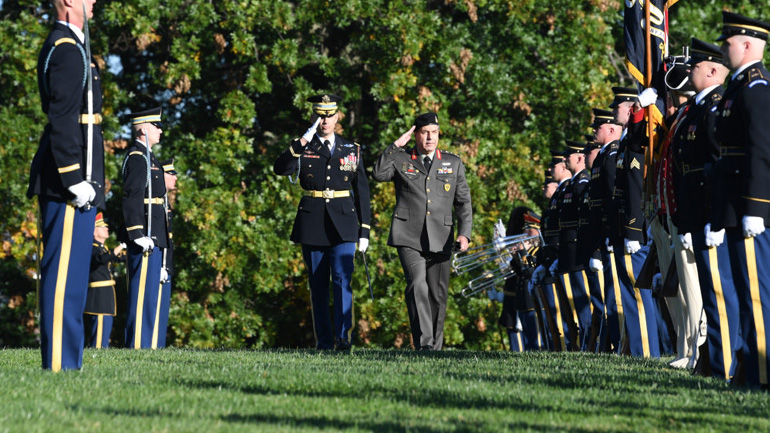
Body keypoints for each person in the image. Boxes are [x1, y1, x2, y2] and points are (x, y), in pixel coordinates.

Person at [27, 0, 102, 371]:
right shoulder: (67, 50)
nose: (94, 3)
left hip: (71, 181)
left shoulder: (69, 46)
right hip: (67, 184)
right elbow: (63, 121)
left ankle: (67, 363)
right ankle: (59, 363)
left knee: (72, 282)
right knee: (63, 283)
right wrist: (75, 179)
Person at [273, 94, 371, 351]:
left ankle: (343, 338)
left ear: (337, 116)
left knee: (342, 280)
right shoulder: (304, 146)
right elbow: (281, 168)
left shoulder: (352, 149)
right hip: (313, 222)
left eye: (329, 115)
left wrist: (365, 230)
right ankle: (324, 342)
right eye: (319, 115)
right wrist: (302, 140)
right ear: (313, 117)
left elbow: (362, 192)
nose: (324, 120)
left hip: (345, 223)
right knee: (318, 285)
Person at [372, 112, 472, 350]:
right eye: (425, 132)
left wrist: (464, 234)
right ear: (416, 134)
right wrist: (395, 145)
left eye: (434, 133)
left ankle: (434, 348)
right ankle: (425, 344)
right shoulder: (401, 158)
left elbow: (463, 202)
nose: (430, 138)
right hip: (408, 234)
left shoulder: (453, 162)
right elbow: (378, 174)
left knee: (437, 296)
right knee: (418, 284)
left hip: (442, 235)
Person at [711, 11, 770, 386]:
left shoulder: (757, 89)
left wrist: (757, 207)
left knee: (756, 295)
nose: (724, 48)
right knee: (747, 295)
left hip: (749, 208)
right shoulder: (739, 87)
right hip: (734, 207)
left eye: (728, 42)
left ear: (747, 44)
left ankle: (762, 373)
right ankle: (748, 369)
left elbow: (761, 150)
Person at [122, 107, 169, 349]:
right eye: (156, 125)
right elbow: (132, 195)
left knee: (150, 297)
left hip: (155, 234)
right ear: (143, 129)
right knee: (141, 297)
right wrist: (137, 232)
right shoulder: (138, 157)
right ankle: (137, 346)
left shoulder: (149, 157)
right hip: (145, 234)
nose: (160, 130)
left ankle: (148, 346)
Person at [84, 212, 125, 348]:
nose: (107, 229)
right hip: (98, 294)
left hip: (105, 293)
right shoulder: (91, 248)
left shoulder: (103, 248)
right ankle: (97, 352)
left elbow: (117, 257)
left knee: (106, 323)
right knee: (100, 325)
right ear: (94, 232)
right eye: (102, 227)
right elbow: (102, 259)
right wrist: (120, 247)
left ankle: (101, 351)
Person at [155, 158, 178, 348]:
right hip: (159, 262)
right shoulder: (158, 201)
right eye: (171, 173)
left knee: (162, 312)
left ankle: (157, 345)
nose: (175, 178)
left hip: (165, 263)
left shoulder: (166, 202)